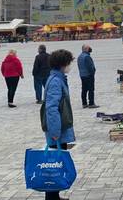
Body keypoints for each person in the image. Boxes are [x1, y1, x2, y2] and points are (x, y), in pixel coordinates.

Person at [44, 49, 75, 200]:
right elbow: (51, 108)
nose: (70, 65)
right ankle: (51, 197)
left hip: (59, 129)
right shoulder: (56, 81)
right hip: (57, 131)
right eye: (69, 62)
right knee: (54, 164)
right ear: (63, 64)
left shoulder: (58, 78)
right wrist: (55, 132)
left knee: (56, 163)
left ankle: (54, 196)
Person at [77, 44, 98, 108]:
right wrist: (93, 72)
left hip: (82, 75)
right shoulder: (87, 57)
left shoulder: (79, 56)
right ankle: (91, 103)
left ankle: (84, 103)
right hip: (88, 75)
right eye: (89, 48)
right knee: (91, 89)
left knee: (84, 89)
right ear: (86, 49)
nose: (90, 49)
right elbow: (90, 67)